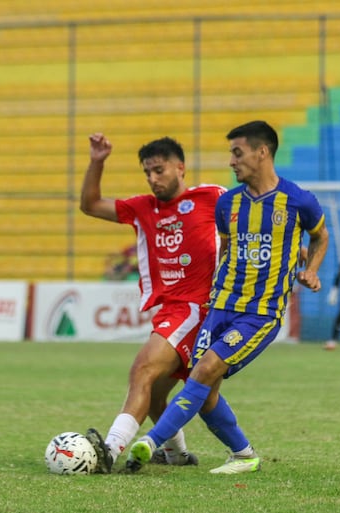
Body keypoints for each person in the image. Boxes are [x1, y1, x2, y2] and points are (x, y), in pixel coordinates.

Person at [125, 120, 329, 474]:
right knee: (206, 393)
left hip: (259, 313)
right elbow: (227, 249)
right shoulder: (227, 205)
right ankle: (244, 455)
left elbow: (320, 236)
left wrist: (310, 268)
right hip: (219, 308)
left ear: (262, 152)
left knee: (203, 372)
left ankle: (150, 441)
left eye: (237, 152)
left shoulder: (298, 200)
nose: (232, 161)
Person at [80, 133, 226, 473]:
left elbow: (252, 220)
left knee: (142, 370)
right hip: (170, 311)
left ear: (180, 168)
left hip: (196, 308)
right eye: (147, 172)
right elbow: (90, 204)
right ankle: (177, 455)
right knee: (156, 396)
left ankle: (110, 451)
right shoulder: (142, 207)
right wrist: (97, 161)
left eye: (159, 170)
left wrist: (298, 251)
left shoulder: (211, 197)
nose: (153, 179)